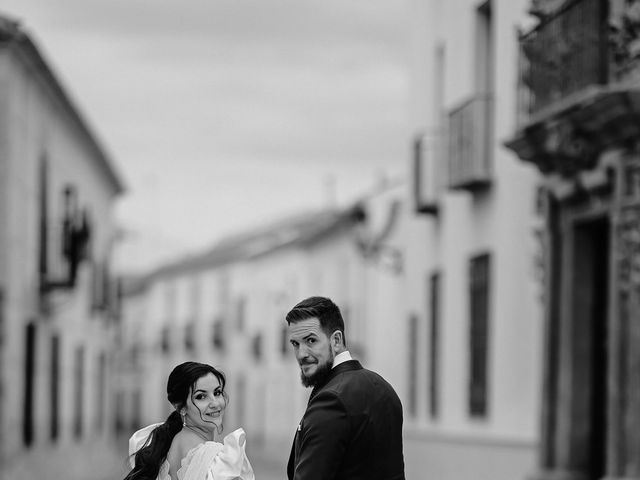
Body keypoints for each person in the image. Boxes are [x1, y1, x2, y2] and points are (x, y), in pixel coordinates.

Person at [285, 296, 405, 480]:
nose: (301, 354)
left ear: (336, 340)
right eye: (295, 344)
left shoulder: (330, 400)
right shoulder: (384, 388)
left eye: (310, 341)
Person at [124, 361, 254, 480]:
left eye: (217, 392)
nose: (215, 403)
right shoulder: (214, 458)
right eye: (201, 396)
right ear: (181, 407)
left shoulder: (168, 446)